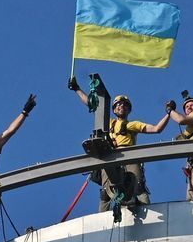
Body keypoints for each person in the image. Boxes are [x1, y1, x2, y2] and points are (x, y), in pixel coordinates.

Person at [69, 79, 170, 207]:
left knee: (138, 186)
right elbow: (92, 104)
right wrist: (77, 88)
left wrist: (169, 113)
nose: (121, 106)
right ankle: (103, 219)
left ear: (128, 110)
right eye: (118, 105)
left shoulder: (132, 125)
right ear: (114, 110)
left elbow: (156, 129)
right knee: (107, 192)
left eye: (124, 105)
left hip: (128, 156)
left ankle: (146, 211)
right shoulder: (107, 123)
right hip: (110, 156)